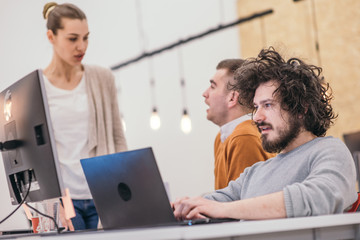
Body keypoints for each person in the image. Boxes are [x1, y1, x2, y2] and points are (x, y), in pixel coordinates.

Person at [173, 47, 357, 220]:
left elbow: (316, 199)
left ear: (300, 109)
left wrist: (223, 209)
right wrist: (185, 206)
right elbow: (217, 200)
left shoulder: (330, 151)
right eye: (256, 107)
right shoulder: (255, 172)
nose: (257, 117)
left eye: (268, 105)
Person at [42, 2, 127, 230]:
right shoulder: (38, 87)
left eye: (86, 38)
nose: (82, 46)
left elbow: (118, 137)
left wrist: (124, 191)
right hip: (64, 200)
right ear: (51, 37)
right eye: (72, 39)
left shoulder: (102, 77)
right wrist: (49, 204)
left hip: (104, 195)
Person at [202, 59, 274, 190]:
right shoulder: (223, 138)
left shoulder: (244, 137)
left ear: (232, 98)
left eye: (213, 86)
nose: (205, 94)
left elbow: (244, 205)